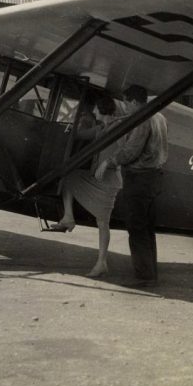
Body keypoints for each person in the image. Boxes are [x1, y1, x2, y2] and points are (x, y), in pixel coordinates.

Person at [49, 95, 127, 278]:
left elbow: (125, 151)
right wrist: (73, 123)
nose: (93, 112)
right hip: (97, 178)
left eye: (95, 109)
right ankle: (68, 217)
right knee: (69, 176)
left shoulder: (119, 129)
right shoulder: (101, 128)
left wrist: (108, 162)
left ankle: (102, 263)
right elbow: (79, 134)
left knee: (102, 223)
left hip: (109, 181)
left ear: (101, 110)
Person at [113, 85, 168, 286]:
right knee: (148, 229)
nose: (125, 107)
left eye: (126, 103)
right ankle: (151, 272)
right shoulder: (160, 117)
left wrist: (111, 161)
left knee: (136, 229)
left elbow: (131, 151)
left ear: (134, 101)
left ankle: (144, 277)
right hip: (155, 177)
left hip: (139, 178)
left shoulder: (141, 119)